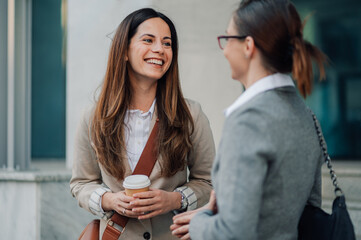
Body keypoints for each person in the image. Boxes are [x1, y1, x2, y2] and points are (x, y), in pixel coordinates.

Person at [171, 0, 328, 239]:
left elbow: (232, 233)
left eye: (227, 38)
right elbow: (307, 209)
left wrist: (199, 223)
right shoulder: (306, 115)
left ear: (248, 46)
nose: (224, 49)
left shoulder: (248, 119)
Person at [70, 8, 215, 240]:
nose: (159, 49)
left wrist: (175, 199)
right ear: (124, 50)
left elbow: (208, 182)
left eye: (167, 43)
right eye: (148, 40)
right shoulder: (94, 117)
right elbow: (81, 183)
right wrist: (110, 200)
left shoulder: (191, 114)